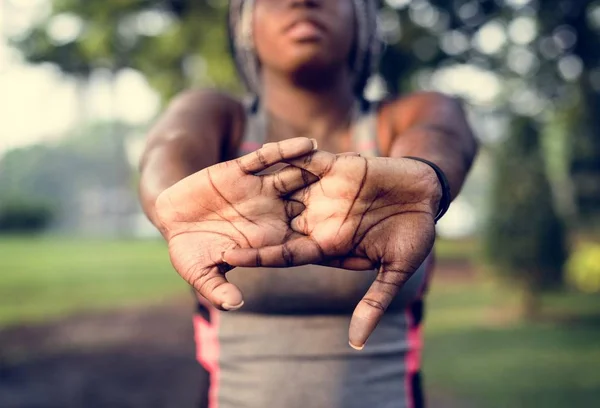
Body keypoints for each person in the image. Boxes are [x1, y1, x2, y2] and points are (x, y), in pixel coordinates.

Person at [138, 0, 478, 407]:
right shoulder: (219, 119)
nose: (301, 1)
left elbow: (443, 135)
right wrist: (169, 199)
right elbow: (169, 146)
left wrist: (428, 177)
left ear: (362, 20)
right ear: (247, 24)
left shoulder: (402, 118)